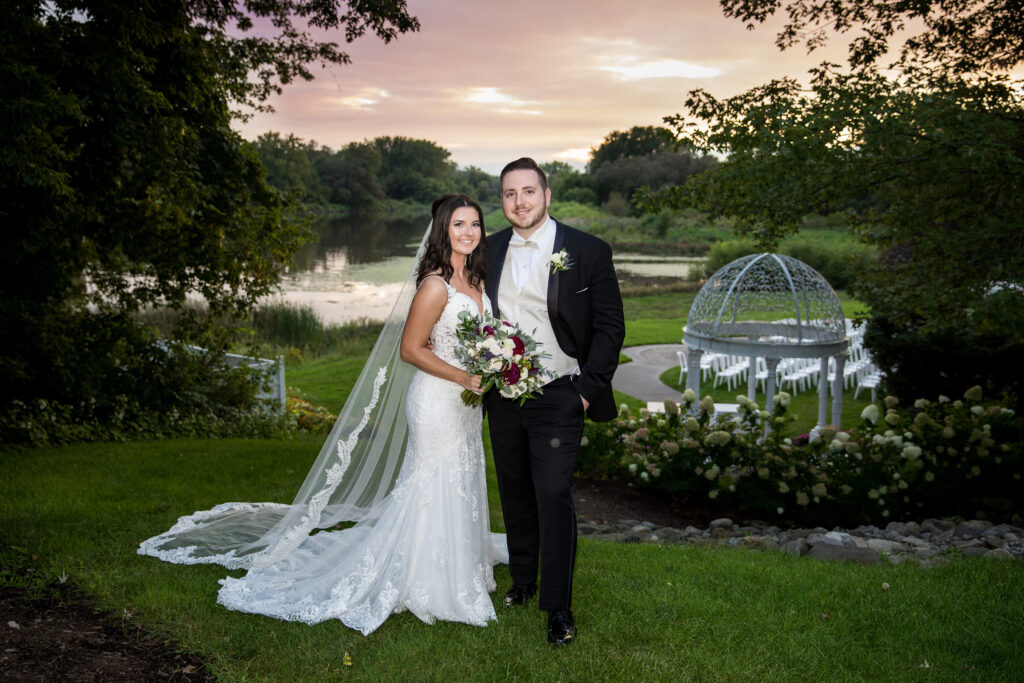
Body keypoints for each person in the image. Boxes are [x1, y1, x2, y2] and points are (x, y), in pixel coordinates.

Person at [139, 193, 508, 635]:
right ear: (442, 230)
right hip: (438, 399)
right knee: (433, 481)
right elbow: (410, 350)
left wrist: (488, 365)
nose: (468, 233)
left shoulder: (476, 279)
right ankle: (427, 580)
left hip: (465, 403)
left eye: (474, 225)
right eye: (458, 225)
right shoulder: (435, 285)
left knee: (461, 475)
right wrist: (462, 377)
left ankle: (458, 566)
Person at [484, 158, 625, 645]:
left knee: (552, 495)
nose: (518, 202)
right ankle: (522, 582)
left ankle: (558, 606)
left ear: (547, 195)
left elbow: (610, 329)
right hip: (503, 395)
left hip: (561, 394)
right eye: (508, 194)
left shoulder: (588, 251)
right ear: (501, 201)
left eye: (527, 192)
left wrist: (586, 391)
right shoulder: (487, 250)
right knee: (516, 492)